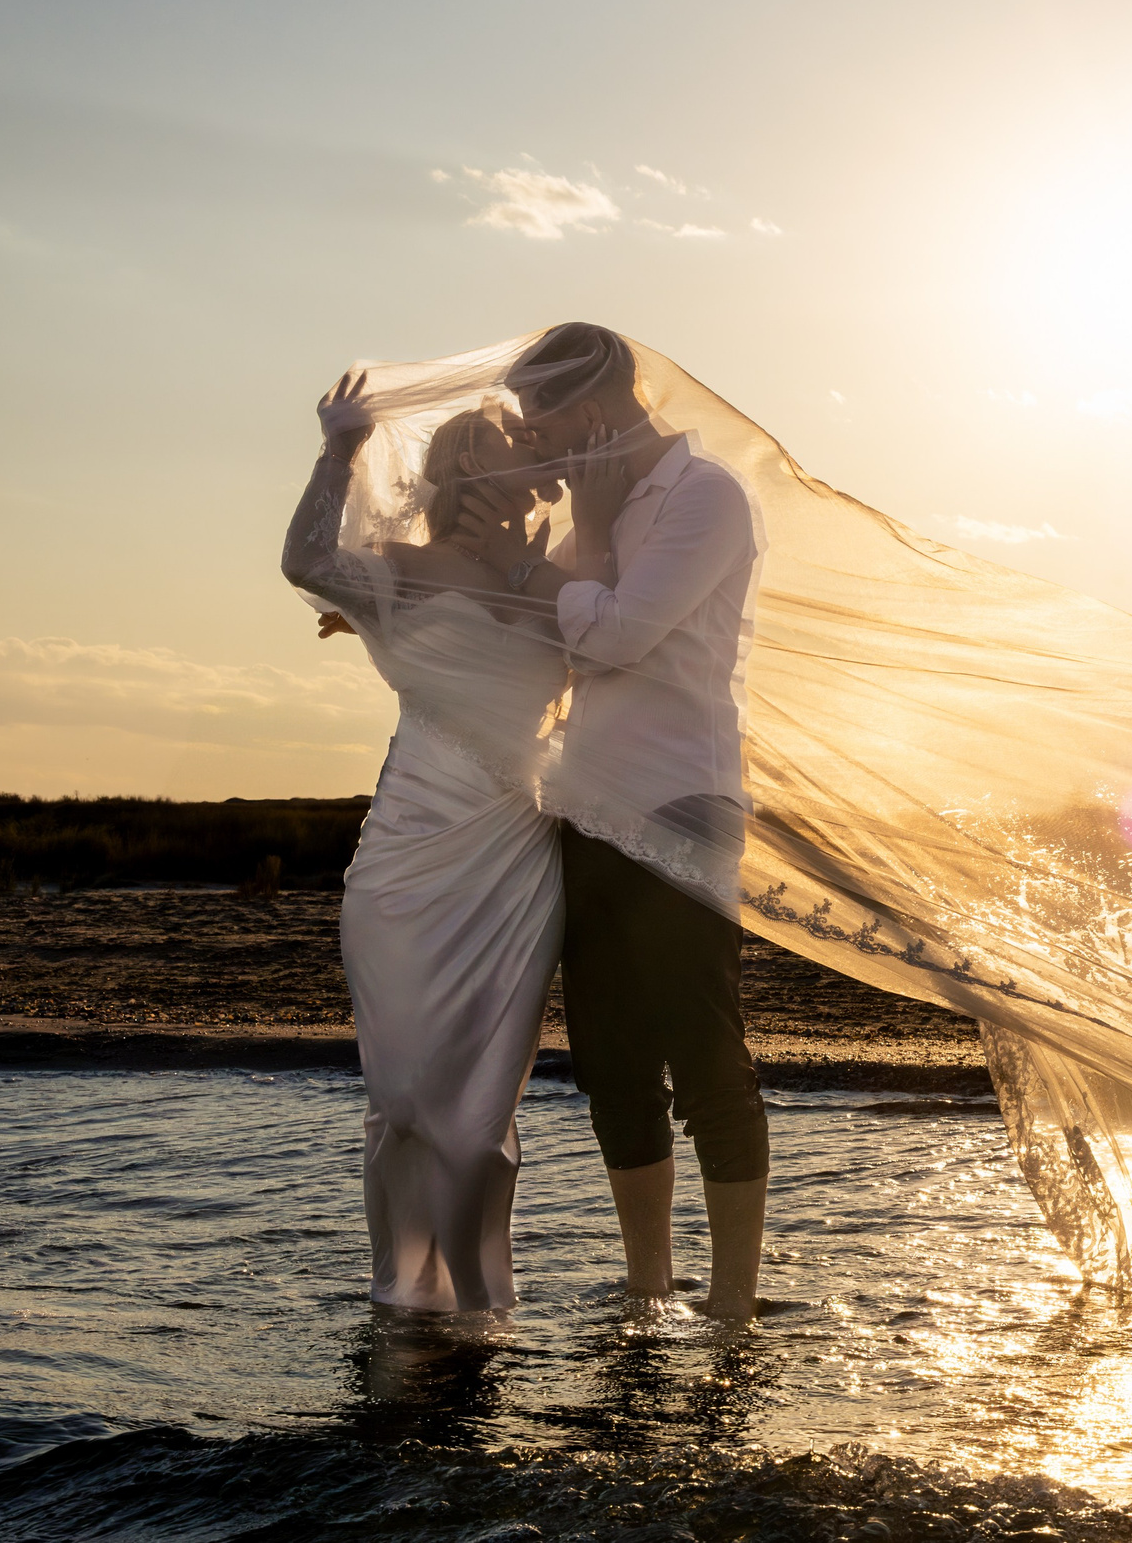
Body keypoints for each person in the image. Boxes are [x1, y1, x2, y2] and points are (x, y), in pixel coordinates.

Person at [450, 322, 771, 1321]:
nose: (534, 445)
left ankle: (730, 1310)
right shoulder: (599, 514)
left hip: (681, 799)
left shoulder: (705, 496)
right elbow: (565, 646)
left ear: (588, 410)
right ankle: (647, 1295)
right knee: (612, 1061)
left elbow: (621, 634)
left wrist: (524, 573)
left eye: (540, 424)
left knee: (703, 1047)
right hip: (585, 801)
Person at [280, 377, 582, 1313]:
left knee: (480, 1116)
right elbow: (302, 561)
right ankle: (403, 1301)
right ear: (459, 468)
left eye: (531, 462)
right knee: (406, 1104)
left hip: (514, 861)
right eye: (505, 451)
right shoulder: (399, 569)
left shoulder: (556, 584)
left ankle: (485, 1311)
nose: (527, 470)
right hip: (405, 865)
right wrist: (340, 449)